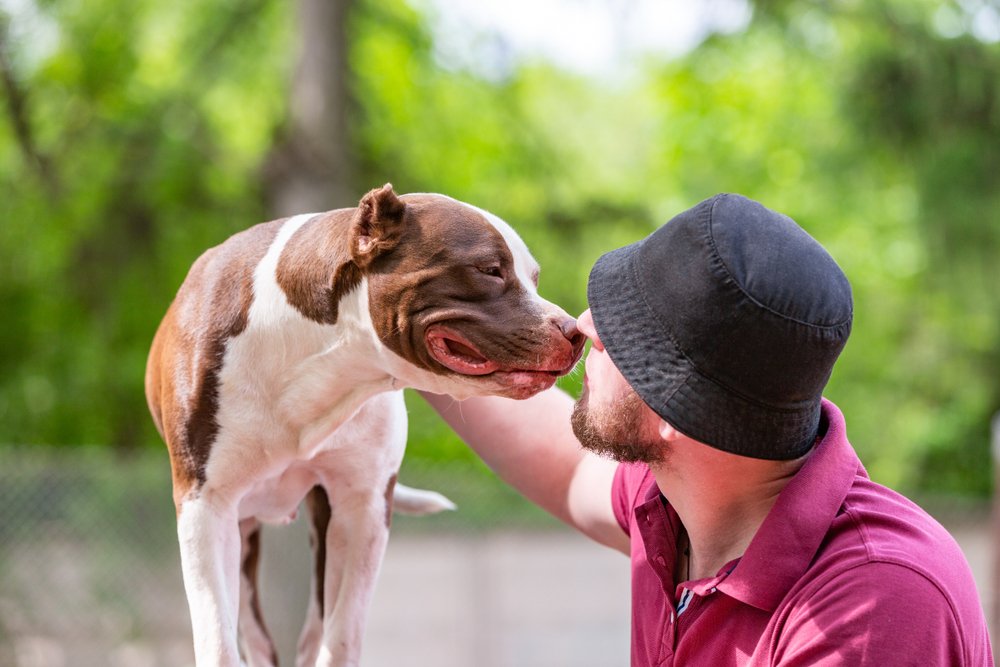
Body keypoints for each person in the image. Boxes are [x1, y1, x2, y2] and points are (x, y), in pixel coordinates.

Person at [422, 193, 993, 666]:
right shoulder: (675, 502)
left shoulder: (873, 607)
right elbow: (570, 468)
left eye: (626, 332)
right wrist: (400, 341)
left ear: (675, 412)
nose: (586, 325)